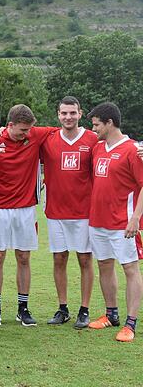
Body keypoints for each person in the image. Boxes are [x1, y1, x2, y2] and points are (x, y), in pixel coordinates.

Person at [0, 105, 57, 326]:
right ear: (9, 125)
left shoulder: (36, 134)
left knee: (24, 257)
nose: (26, 134)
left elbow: (62, 130)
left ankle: (23, 308)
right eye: (22, 130)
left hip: (26, 208)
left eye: (28, 130)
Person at [86, 102, 143, 342]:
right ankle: (111, 314)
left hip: (123, 223)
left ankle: (130, 323)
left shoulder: (133, 150)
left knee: (130, 269)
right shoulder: (98, 148)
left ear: (109, 123)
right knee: (104, 266)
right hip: (98, 221)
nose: (94, 129)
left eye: (97, 124)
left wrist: (135, 218)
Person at [39, 97, 96, 329]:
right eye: (64, 113)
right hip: (55, 211)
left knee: (84, 259)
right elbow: (22, 135)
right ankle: (63, 308)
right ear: (58, 115)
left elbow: (117, 143)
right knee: (59, 258)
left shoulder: (92, 139)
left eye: (72, 113)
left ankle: (84, 309)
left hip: (84, 211)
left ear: (80, 113)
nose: (68, 117)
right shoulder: (49, 139)